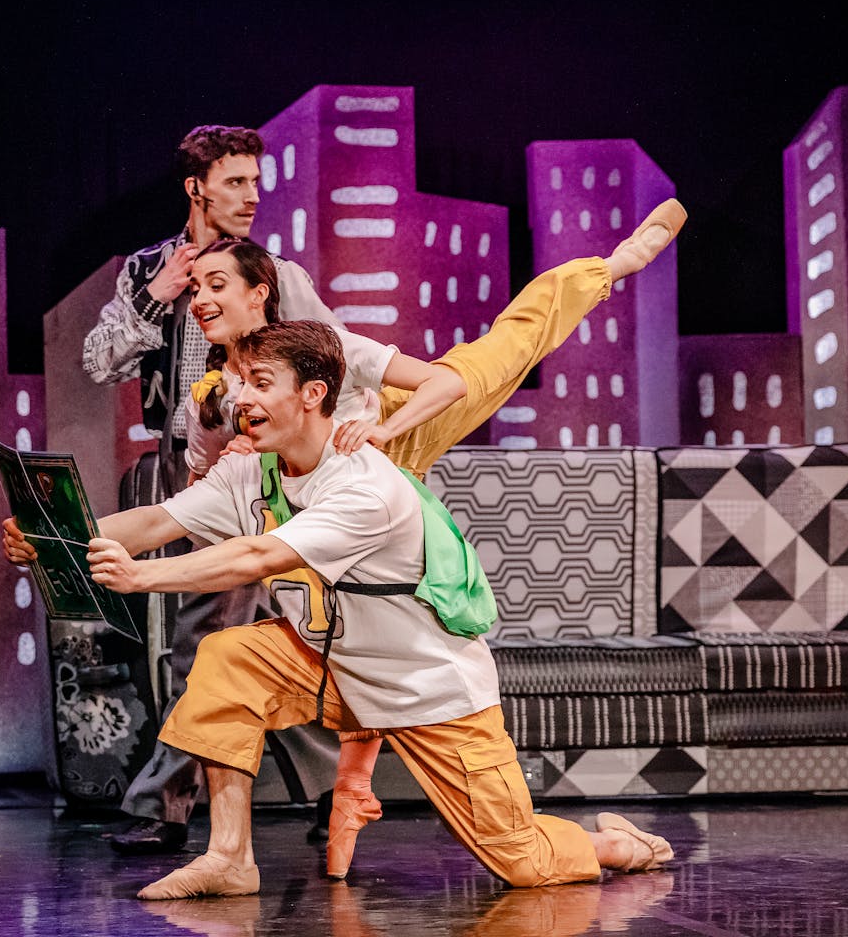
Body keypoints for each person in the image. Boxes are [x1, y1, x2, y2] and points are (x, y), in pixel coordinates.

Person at [2, 319, 676, 899]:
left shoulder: (366, 488)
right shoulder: (252, 470)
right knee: (228, 658)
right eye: (241, 382)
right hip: (329, 666)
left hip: (426, 685)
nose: (242, 398)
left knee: (522, 863)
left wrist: (141, 581)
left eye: (261, 382)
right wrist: (47, 537)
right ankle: (230, 857)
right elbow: (156, 519)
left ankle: (615, 845)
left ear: (313, 393)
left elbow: (257, 558)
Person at [178, 200, 687, 875]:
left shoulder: (322, 348)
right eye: (196, 289)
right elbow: (202, 481)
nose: (203, 299)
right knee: (340, 619)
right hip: (319, 504)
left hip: (388, 442)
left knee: (494, 356)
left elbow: (440, 382)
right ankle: (332, 797)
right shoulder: (214, 390)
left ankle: (611, 265)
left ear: (258, 294)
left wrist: (388, 431)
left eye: (218, 285)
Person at [82, 124, 342, 854]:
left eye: (256, 183)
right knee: (221, 638)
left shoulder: (275, 273)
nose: (252, 197)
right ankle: (329, 785)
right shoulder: (147, 271)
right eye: (235, 182)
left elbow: (334, 356)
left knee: (212, 640)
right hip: (177, 461)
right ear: (196, 188)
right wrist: (155, 298)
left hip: (256, 463)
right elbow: (99, 364)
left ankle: (163, 803)